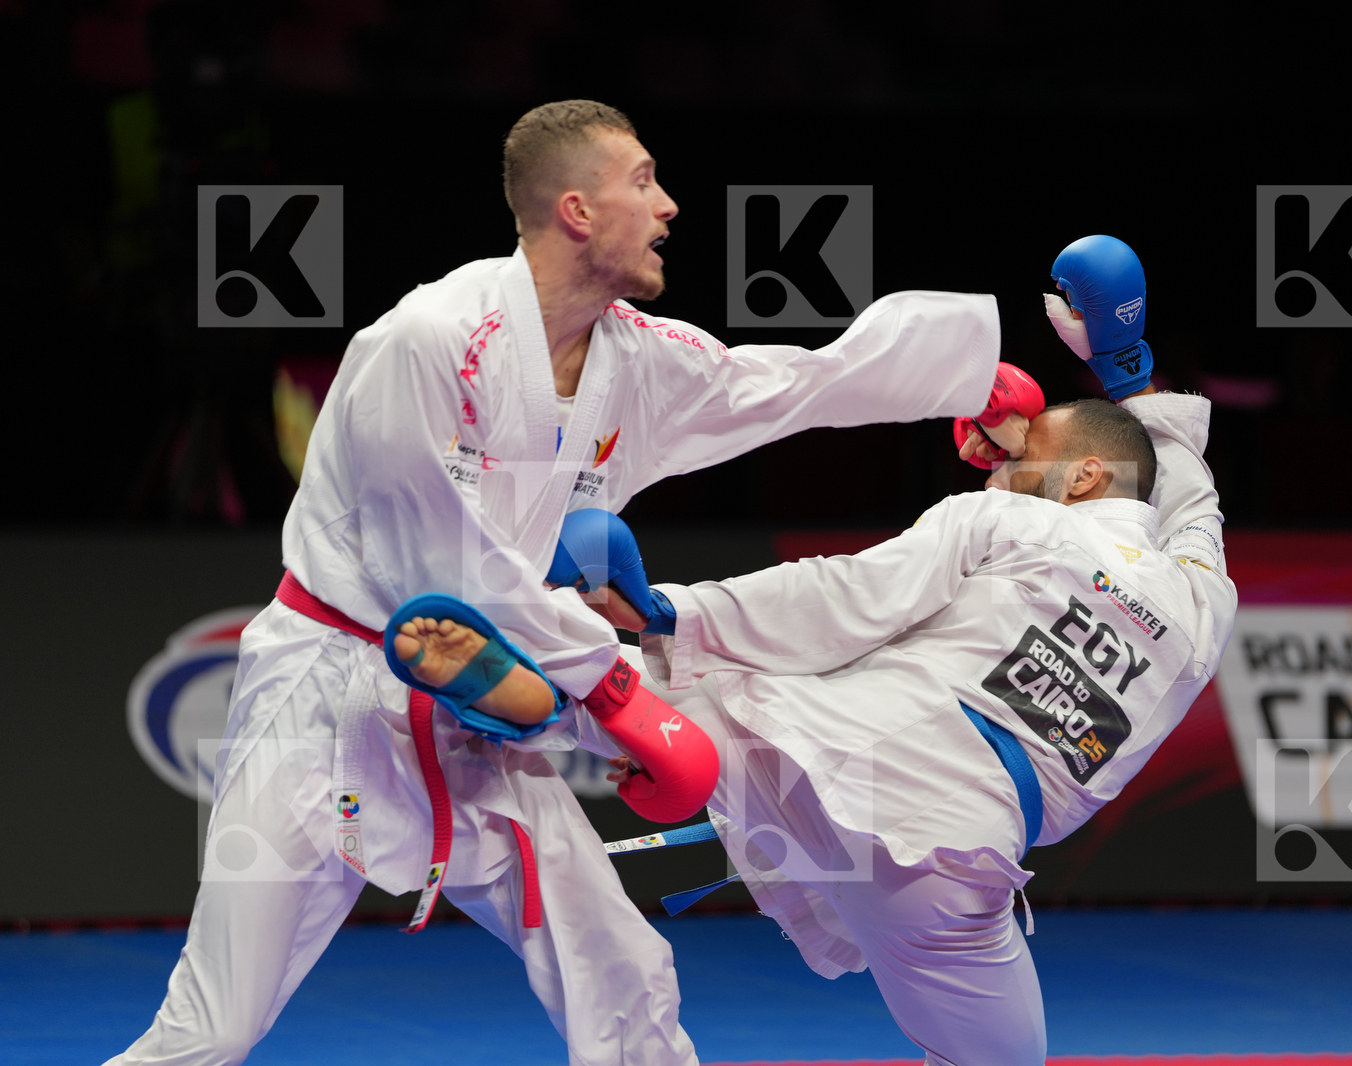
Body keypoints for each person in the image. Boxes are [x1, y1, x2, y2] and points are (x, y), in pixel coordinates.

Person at [111, 99, 1006, 1066]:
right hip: (324, 702)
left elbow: (791, 385)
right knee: (214, 1027)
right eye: (644, 181)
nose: (668, 206)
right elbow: (446, 573)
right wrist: (612, 694)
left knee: (620, 970)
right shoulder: (430, 340)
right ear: (576, 209)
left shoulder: (639, 361)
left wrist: (970, 379)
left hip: (477, 711)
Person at [400, 236, 1237, 1065]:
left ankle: (563, 685)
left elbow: (846, 596)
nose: (999, 464)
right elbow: (1189, 495)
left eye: (1025, 457)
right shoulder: (1201, 607)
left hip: (853, 755)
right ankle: (585, 698)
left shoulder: (1015, 517)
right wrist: (1126, 371)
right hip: (961, 864)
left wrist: (667, 611)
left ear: (1085, 478)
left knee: (712, 694)